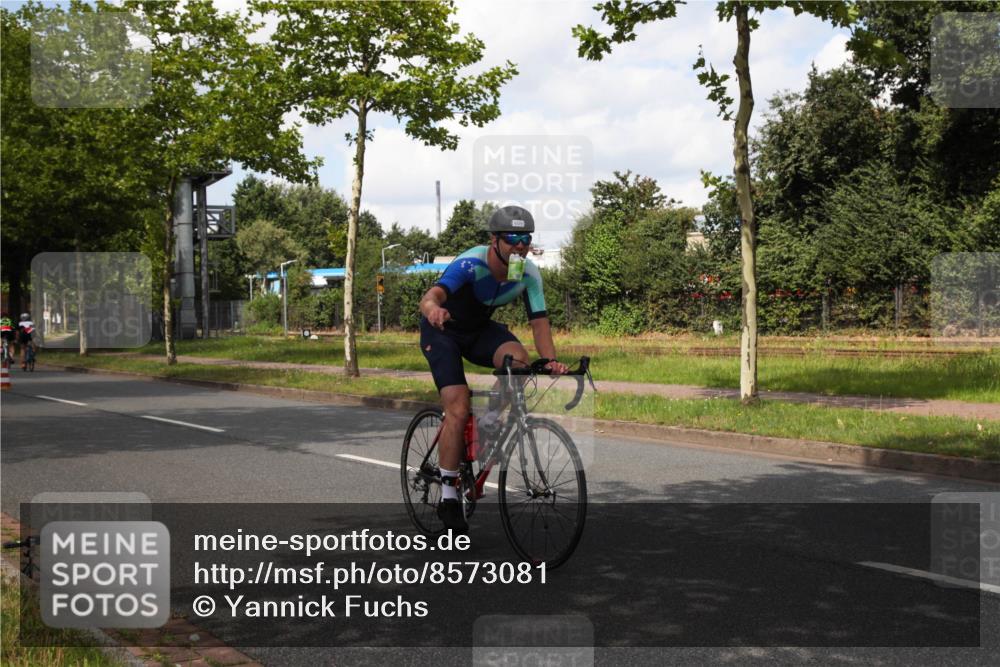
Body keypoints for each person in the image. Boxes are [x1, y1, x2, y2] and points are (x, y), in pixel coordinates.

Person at [418, 205, 568, 533]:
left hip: (477, 332)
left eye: (525, 238)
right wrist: (432, 309)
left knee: (520, 360)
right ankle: (447, 495)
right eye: (512, 237)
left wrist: (551, 360)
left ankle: (487, 423)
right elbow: (432, 296)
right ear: (494, 240)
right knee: (457, 406)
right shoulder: (471, 263)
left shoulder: (527, 273)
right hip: (442, 330)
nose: (519, 245)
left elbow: (539, 321)